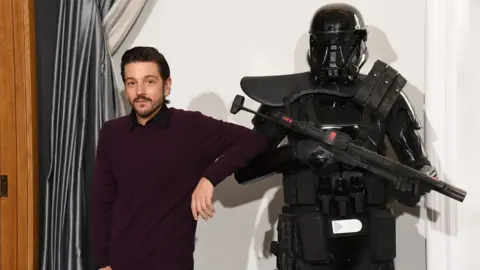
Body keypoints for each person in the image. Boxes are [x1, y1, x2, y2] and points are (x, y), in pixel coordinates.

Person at [233, 3, 437, 270]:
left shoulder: (387, 97)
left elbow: (418, 166)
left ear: (360, 43)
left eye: (341, 43)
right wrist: (297, 153)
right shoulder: (285, 98)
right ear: (312, 44)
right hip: (307, 237)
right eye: (324, 44)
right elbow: (244, 169)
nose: (332, 56)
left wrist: (414, 184)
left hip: (371, 239)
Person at [90, 46, 268, 270]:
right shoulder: (112, 133)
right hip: (120, 264)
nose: (140, 91)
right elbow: (102, 202)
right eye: (132, 83)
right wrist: (102, 263)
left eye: (150, 81)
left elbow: (254, 141)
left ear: (167, 85)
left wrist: (209, 178)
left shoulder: (190, 127)